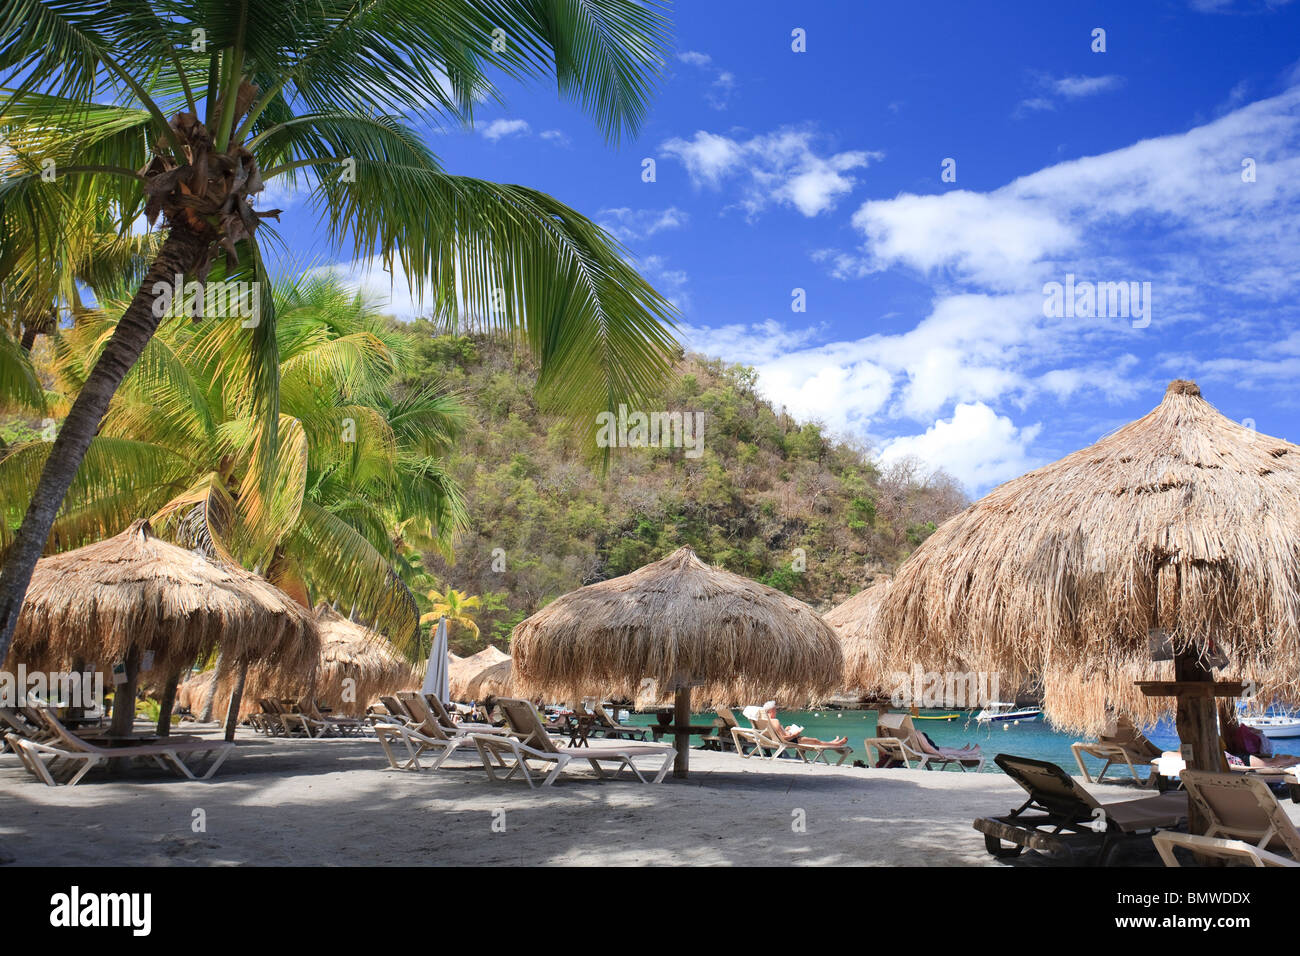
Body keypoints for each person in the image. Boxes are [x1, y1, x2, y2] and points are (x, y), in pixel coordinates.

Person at [761, 701, 848, 748]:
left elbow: (779, 734)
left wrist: (786, 729)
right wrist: (795, 734)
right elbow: (783, 738)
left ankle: (831, 743)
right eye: (775, 709)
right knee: (815, 741)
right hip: (790, 740)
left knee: (815, 740)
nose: (776, 711)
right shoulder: (775, 721)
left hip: (785, 738)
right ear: (771, 711)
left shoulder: (767, 720)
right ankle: (837, 744)